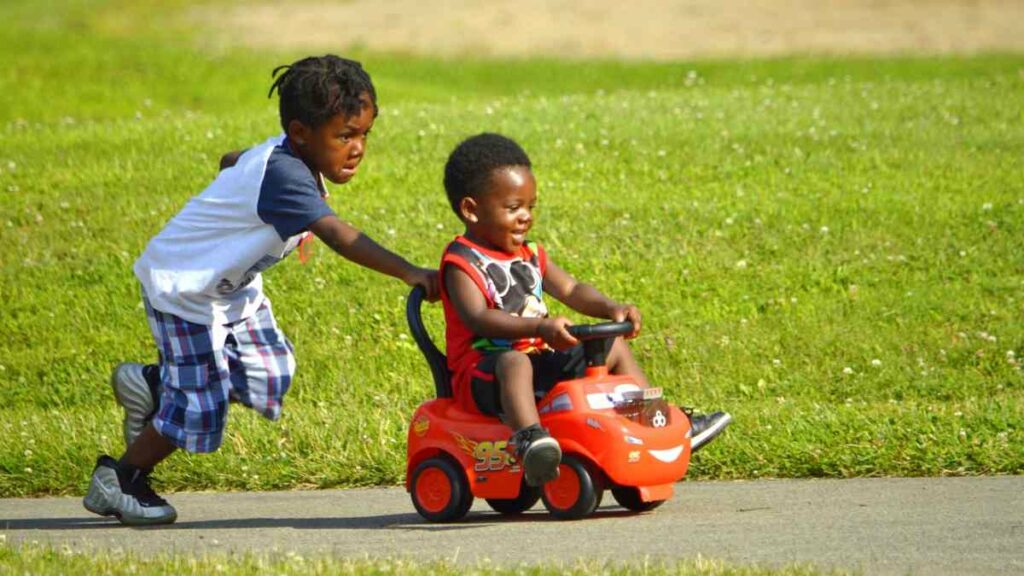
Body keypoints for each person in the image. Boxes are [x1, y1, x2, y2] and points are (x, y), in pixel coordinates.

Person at [83, 55, 439, 525]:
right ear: (300, 133)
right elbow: (338, 235)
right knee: (198, 406)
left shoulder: (285, 162)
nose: (357, 148)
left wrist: (232, 177)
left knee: (268, 375)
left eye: (364, 135)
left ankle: (155, 386)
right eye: (344, 136)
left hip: (230, 290)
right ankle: (120, 479)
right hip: (186, 289)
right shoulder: (286, 175)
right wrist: (409, 271)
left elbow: (233, 160)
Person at [439, 133, 731, 487]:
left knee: (611, 347)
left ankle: (658, 421)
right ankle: (530, 441)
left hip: (537, 359)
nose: (525, 218)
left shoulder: (530, 254)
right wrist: (540, 329)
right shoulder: (462, 261)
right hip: (483, 375)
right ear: (471, 210)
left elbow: (572, 289)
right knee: (514, 362)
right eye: (514, 208)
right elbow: (478, 318)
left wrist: (611, 308)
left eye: (531, 207)